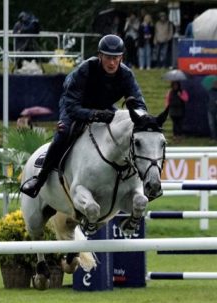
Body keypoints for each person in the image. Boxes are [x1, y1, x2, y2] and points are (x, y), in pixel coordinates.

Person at [19, 34, 148, 198]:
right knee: (64, 132)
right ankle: (40, 179)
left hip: (103, 106)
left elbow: (140, 104)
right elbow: (72, 107)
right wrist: (96, 115)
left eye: (116, 58)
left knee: (124, 129)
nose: (112, 62)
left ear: (121, 57)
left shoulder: (126, 75)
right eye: (108, 57)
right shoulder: (86, 69)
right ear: (100, 55)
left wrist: (142, 117)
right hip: (74, 104)